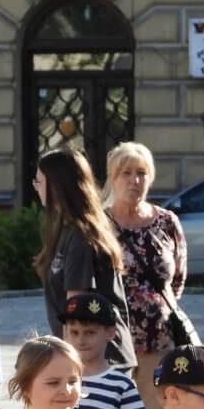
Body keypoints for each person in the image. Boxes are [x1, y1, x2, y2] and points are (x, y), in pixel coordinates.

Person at [104, 141, 191, 409]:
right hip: (111, 343)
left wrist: (157, 309)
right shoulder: (100, 224)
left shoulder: (166, 222)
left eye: (141, 173)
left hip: (157, 340)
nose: (134, 180)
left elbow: (178, 278)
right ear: (113, 178)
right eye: (125, 173)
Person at [35, 148, 136, 373]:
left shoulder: (81, 236)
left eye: (39, 182)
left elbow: (76, 308)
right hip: (88, 355)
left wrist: (67, 363)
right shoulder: (65, 228)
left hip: (100, 359)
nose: (36, 188)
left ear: (56, 186)